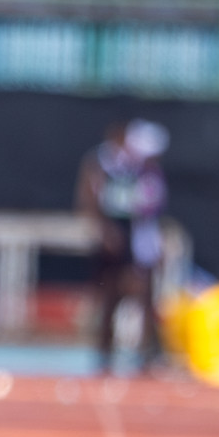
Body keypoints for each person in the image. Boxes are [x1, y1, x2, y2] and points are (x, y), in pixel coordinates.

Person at [77, 119, 169, 375]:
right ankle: (104, 355)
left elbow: (150, 207)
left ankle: (147, 355)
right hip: (116, 238)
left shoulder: (146, 171)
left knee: (145, 296)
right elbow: (90, 198)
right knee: (110, 297)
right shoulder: (104, 164)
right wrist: (105, 231)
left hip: (139, 239)